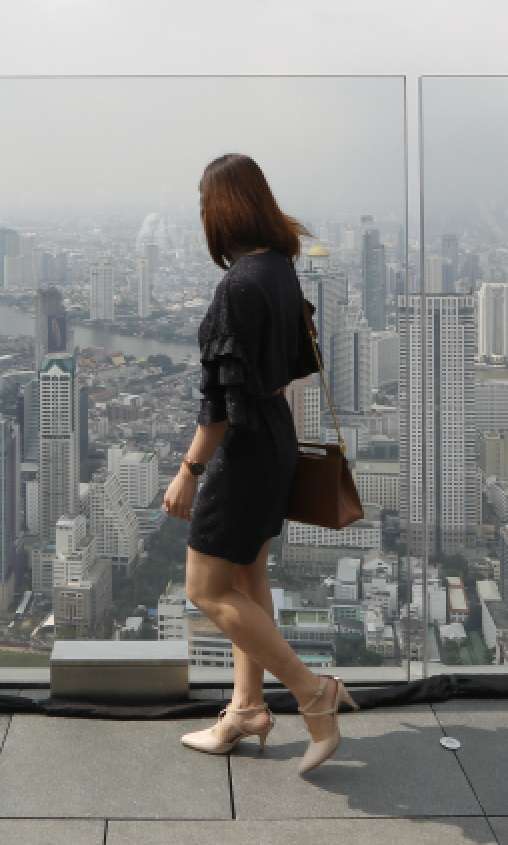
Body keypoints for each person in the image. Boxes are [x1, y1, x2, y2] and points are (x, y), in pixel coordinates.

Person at [164, 152, 357, 774]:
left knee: (205, 587)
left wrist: (189, 470)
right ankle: (246, 710)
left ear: (221, 212)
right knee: (248, 579)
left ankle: (311, 692)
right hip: (275, 431)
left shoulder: (238, 286)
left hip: (243, 448)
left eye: (203, 207)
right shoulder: (278, 270)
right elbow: (294, 363)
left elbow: (220, 400)